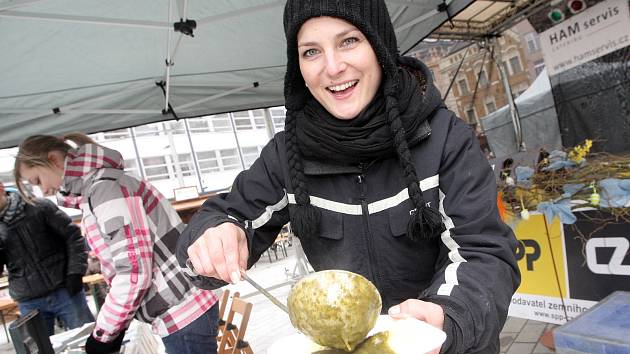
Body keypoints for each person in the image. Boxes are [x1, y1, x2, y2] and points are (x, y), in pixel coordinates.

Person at [179, 0, 520, 352]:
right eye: (311, 51)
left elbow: (484, 253)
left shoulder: (445, 138)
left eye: (348, 41)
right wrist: (213, 236)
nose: (333, 67)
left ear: (379, 46)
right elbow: (224, 216)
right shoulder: (286, 155)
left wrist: (449, 317)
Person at [13, 134, 219, 354]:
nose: (43, 191)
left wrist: (104, 334)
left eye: (37, 180)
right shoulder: (102, 187)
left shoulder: (104, 190)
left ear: (53, 160)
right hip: (182, 308)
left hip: (182, 312)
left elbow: (134, 272)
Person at [0, 181, 94, 335]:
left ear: (1, 188)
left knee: (88, 339)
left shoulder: (38, 207)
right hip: (29, 300)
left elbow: (73, 237)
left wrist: (75, 273)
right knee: (39, 348)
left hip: (65, 289)